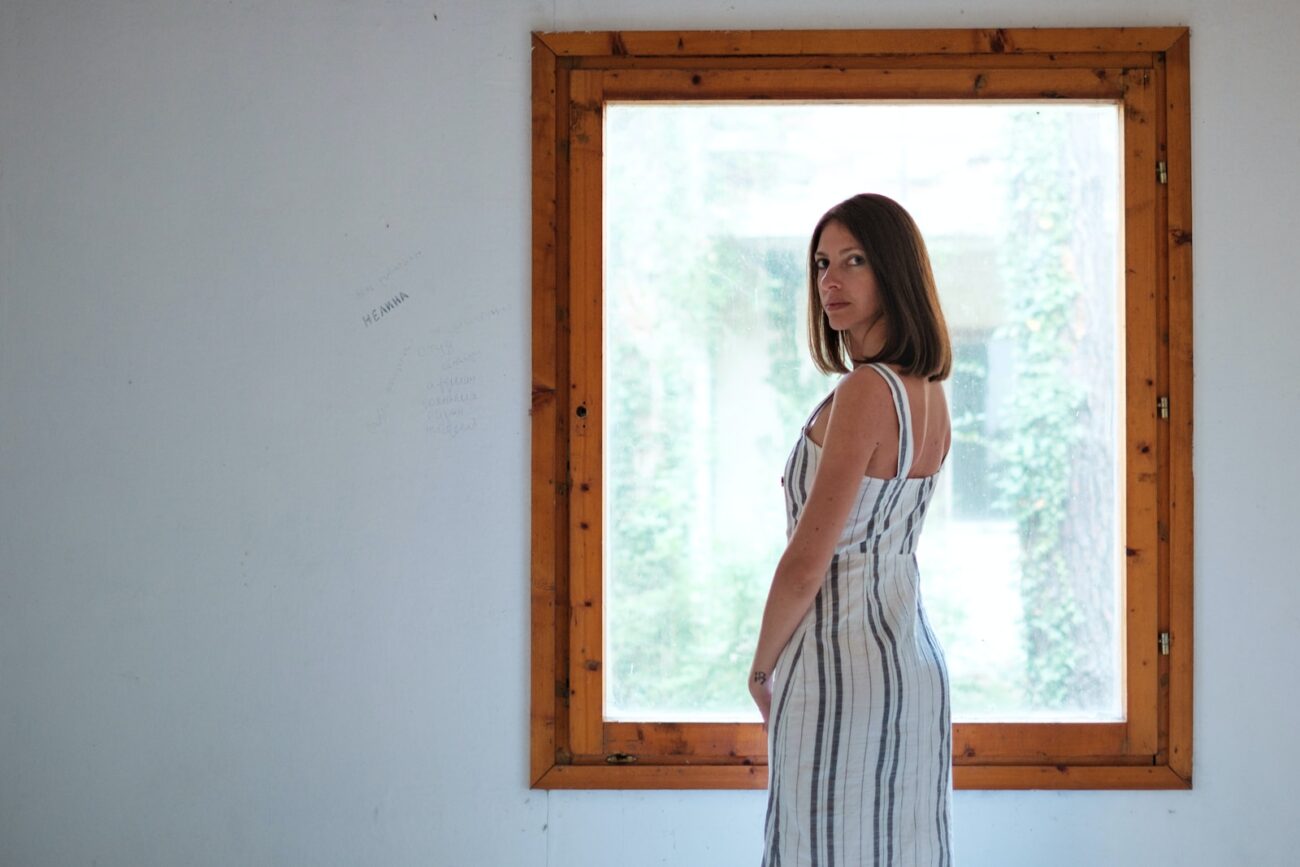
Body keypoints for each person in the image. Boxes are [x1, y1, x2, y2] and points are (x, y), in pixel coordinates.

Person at [749, 193, 954, 866]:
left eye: (854, 260)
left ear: (893, 269)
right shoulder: (928, 391)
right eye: (821, 263)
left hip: (841, 668)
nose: (829, 281)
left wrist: (760, 664)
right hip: (910, 665)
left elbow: (809, 561)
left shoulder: (868, 391)